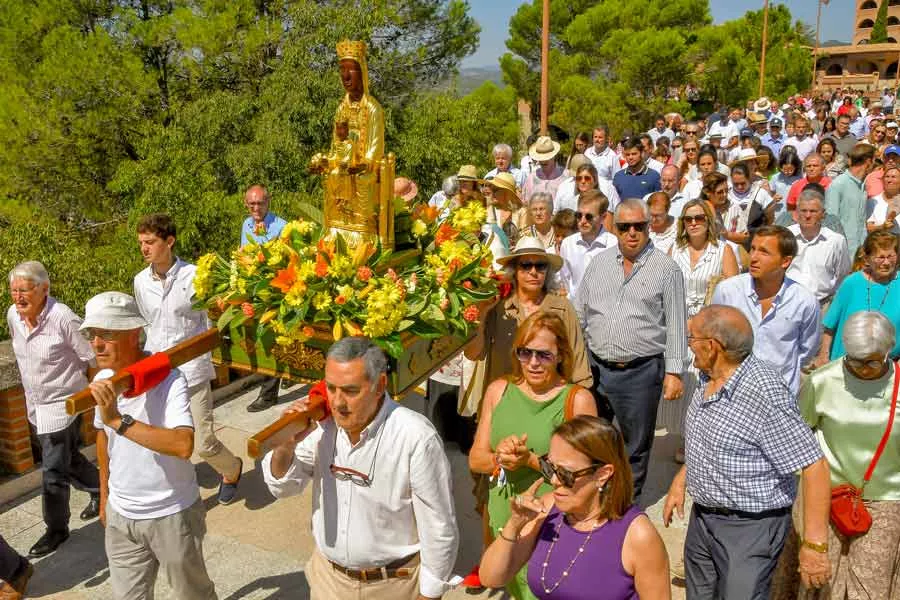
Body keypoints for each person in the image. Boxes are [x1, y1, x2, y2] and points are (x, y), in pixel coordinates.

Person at [262, 337, 459, 600]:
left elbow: (439, 525)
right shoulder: (321, 427)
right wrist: (285, 446)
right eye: (331, 388)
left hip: (394, 586)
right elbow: (283, 488)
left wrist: (430, 594)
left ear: (380, 386)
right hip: (328, 581)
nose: (337, 403)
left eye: (350, 391)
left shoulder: (416, 437)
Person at [662, 305, 831, 599]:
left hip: (750, 529)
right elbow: (709, 439)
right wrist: (681, 480)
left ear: (712, 346)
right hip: (703, 520)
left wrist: (815, 545)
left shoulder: (763, 392)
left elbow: (814, 464)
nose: (689, 345)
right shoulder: (707, 377)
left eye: (692, 338)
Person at [86, 291, 217, 600]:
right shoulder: (103, 377)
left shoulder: (170, 379)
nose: (97, 344)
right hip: (121, 515)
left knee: (193, 596)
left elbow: (183, 445)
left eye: (107, 334)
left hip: (171, 513)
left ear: (134, 334)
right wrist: (105, 496)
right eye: (92, 334)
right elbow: (102, 437)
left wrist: (118, 420)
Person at [469, 312, 597, 599]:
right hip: (504, 519)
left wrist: (530, 461)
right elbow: (476, 459)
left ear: (561, 355)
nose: (533, 363)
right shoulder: (498, 391)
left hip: (550, 524)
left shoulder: (577, 400)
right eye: (525, 353)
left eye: (544, 355)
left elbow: (586, 477)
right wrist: (500, 458)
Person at [479, 416, 670, 600]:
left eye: (566, 474)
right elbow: (491, 577)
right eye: (550, 467)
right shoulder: (547, 509)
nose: (554, 480)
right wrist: (514, 524)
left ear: (603, 474)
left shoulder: (638, 535)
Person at [573, 198, 687, 501]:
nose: (632, 233)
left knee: (634, 446)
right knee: (592, 439)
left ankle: (625, 505)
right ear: (615, 228)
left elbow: (676, 323)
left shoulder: (667, 269)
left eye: (639, 226)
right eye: (625, 227)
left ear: (649, 227)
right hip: (595, 368)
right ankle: (594, 497)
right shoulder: (598, 264)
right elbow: (580, 313)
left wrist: (674, 372)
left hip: (640, 372)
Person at [133, 213, 244, 504]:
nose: (144, 248)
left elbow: (211, 319)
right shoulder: (140, 282)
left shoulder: (195, 276)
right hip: (158, 372)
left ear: (169, 241)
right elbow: (146, 323)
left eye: (150, 242)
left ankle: (232, 470)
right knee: (163, 437)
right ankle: (174, 490)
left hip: (192, 370)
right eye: (141, 242)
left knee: (204, 442)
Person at [800, 311, 900, 599]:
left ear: (888, 351)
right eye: (855, 361)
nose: (863, 369)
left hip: (886, 498)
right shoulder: (822, 381)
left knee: (870, 586)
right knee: (819, 581)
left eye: (872, 362)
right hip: (826, 496)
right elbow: (799, 439)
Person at [6, 261, 100, 558]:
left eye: (24, 290)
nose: (18, 297)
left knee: (53, 471)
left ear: (44, 289)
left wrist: (95, 400)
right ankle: (101, 488)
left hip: (63, 404)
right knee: (67, 458)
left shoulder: (63, 318)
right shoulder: (13, 315)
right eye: (13, 291)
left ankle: (56, 529)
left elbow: (92, 356)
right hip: (35, 405)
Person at [463, 237, 593, 420]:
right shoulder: (498, 308)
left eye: (540, 266)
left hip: (549, 409)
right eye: (526, 265)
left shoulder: (562, 309)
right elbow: (473, 353)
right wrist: (482, 313)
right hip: (504, 404)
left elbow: (579, 368)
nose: (533, 272)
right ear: (514, 270)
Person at [664, 200, 739, 463]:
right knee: (682, 378)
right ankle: (686, 437)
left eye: (699, 218)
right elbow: (665, 287)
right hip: (678, 322)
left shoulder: (723, 251)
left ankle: (701, 438)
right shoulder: (675, 250)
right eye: (688, 219)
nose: (694, 223)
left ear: (708, 221)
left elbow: (732, 291)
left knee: (703, 381)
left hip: (709, 326)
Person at [712, 226, 820, 395]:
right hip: (732, 393)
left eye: (764, 252)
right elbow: (712, 338)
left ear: (785, 261)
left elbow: (806, 350)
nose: (753, 257)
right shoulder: (728, 291)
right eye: (753, 249)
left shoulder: (804, 301)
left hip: (779, 395)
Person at [814, 230, 900, 365]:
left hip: (887, 366)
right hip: (846, 363)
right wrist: (823, 356)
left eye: (891, 256)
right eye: (880, 257)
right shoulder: (852, 283)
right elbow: (830, 325)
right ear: (867, 259)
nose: (886, 262)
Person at [242, 184, 288, 411]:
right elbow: (244, 255)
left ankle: (268, 394)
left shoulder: (282, 226)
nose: (256, 208)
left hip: (277, 290)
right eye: (252, 204)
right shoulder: (246, 225)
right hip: (255, 290)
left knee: (272, 339)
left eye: (260, 203)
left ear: (268, 202)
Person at [785, 190, 851, 313]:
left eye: (813, 211)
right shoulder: (785, 236)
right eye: (803, 211)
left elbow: (842, 275)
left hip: (822, 306)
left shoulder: (836, 241)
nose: (807, 215)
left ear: (823, 214)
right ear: (796, 213)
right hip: (788, 305)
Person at [558, 189, 618, 298]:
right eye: (579, 215)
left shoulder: (615, 245)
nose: (582, 221)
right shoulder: (567, 244)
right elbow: (566, 280)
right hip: (575, 306)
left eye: (589, 217)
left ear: (603, 217)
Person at [825, 143, 876, 257]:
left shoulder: (863, 186)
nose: (875, 164)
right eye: (874, 160)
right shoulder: (838, 185)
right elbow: (831, 222)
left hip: (861, 250)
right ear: (868, 161)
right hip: (842, 252)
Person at [523, 136, 566, 204]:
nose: (543, 161)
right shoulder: (531, 178)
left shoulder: (566, 177)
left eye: (547, 157)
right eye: (540, 158)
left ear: (554, 156)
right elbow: (526, 203)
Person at [769, 148, 803, 220]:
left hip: (794, 212)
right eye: (784, 169)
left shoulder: (800, 178)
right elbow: (769, 194)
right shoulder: (775, 177)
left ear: (796, 167)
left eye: (791, 170)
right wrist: (773, 198)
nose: (787, 172)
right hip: (778, 212)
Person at [867, 166, 900, 235]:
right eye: (887, 177)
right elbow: (867, 228)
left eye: (893, 177)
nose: (889, 180)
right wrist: (882, 227)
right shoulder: (872, 202)